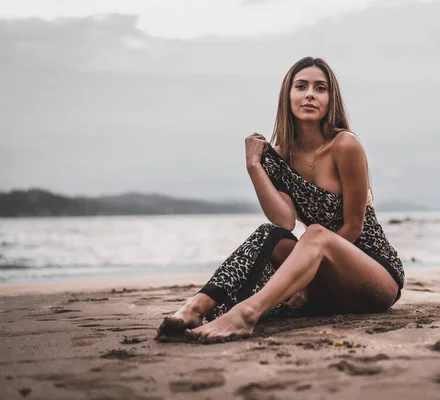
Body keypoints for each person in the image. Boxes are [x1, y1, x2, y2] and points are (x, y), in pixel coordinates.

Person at [157, 56, 404, 341]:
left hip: (374, 277)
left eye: (320, 88)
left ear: (330, 99)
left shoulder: (345, 145)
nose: (310, 93)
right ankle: (196, 307)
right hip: (328, 283)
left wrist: (305, 274)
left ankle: (246, 314)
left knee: (315, 234)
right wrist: (254, 167)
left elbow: (354, 226)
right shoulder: (281, 157)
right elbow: (284, 221)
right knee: (268, 234)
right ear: (288, 96)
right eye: (301, 86)